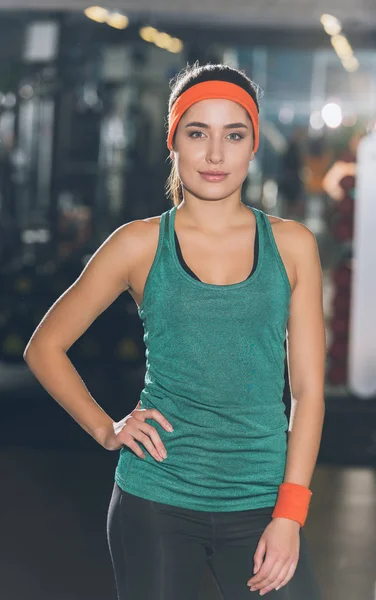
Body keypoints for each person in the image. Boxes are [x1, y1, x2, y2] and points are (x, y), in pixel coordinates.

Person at [23, 62, 326, 599]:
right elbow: (45, 347)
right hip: (156, 500)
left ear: (253, 145)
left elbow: (307, 391)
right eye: (197, 133)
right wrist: (105, 428)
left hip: (261, 502)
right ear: (174, 143)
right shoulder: (137, 245)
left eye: (233, 135)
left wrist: (290, 515)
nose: (215, 154)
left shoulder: (293, 245)